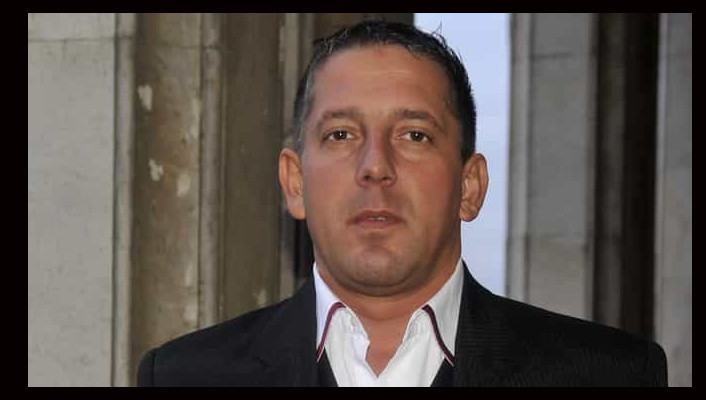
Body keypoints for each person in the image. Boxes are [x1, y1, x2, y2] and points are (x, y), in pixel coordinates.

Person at [137, 20, 668, 387]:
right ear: (295, 183)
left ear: (469, 186)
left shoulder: (611, 375)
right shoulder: (186, 376)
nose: (375, 166)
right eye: (341, 135)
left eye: (414, 135)